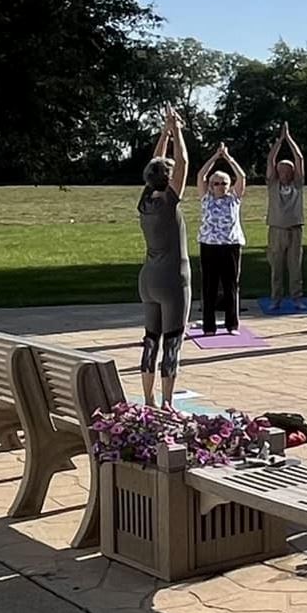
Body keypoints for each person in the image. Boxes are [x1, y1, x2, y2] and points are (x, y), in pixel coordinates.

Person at [138, 109, 190, 408]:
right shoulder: (169, 202)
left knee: (150, 340)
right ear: (168, 180)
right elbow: (182, 163)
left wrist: (165, 133)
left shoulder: (145, 200)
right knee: (172, 342)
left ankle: (148, 399)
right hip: (173, 279)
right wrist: (177, 131)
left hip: (148, 279)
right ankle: (168, 403)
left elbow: (156, 166)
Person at [196, 141, 247, 336]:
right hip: (209, 245)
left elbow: (241, 176)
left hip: (230, 246)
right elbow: (200, 175)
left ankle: (231, 324)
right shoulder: (206, 198)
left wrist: (228, 158)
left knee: (230, 285)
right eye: (216, 183)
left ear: (229, 185)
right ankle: (209, 326)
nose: (220, 186)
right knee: (209, 285)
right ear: (211, 186)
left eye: (224, 183)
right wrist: (215, 158)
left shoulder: (234, 198)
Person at [265, 122, 306, 308]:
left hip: (295, 229)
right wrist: (279, 141)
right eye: (280, 170)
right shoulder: (273, 184)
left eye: (287, 170)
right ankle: (276, 299)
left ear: (292, 172)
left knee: (295, 267)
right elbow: (270, 160)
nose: (283, 173)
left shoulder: (297, 183)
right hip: (276, 229)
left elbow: (299, 158)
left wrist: (288, 139)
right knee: (276, 267)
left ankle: (297, 299)